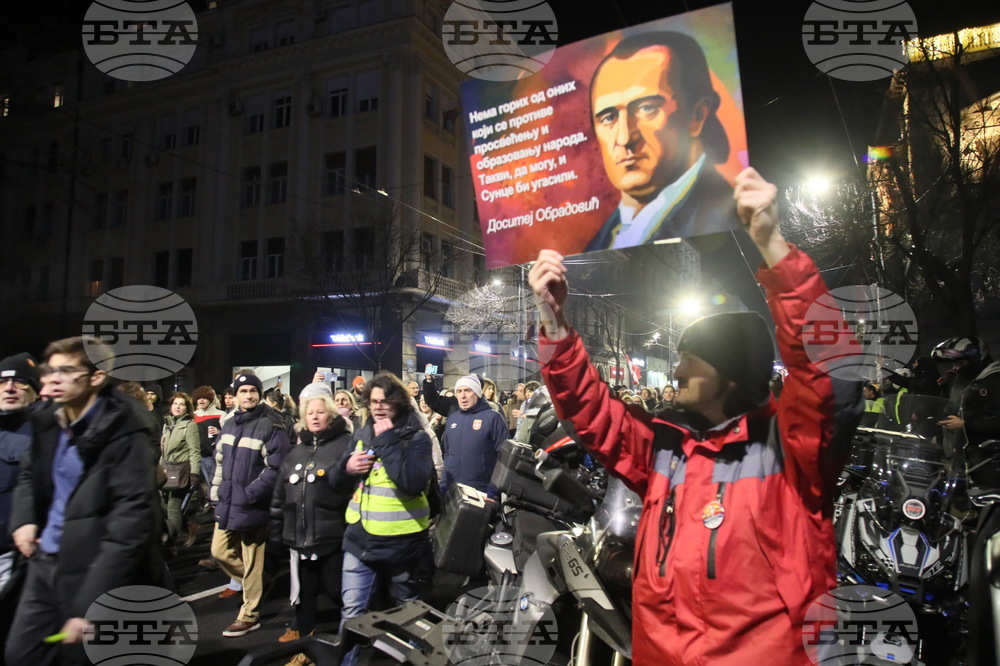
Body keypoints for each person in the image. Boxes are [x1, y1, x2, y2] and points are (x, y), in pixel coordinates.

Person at [528, 167, 862, 664]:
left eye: (692, 358)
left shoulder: (792, 451)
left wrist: (772, 243)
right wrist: (553, 320)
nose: (677, 369)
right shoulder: (665, 446)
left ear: (731, 376)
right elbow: (590, 409)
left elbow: (827, 372)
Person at [6, 336, 168, 666]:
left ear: (96, 377)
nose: (53, 379)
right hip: (44, 562)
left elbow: (130, 524)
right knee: (21, 654)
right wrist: (24, 519)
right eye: (51, 371)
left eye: (66, 371)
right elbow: (29, 473)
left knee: (78, 656)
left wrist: (92, 605)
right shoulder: (48, 419)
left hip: (93, 566)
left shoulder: (127, 431)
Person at [585, 31, 738, 251]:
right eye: (608, 118)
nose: (624, 138)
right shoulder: (598, 243)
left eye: (647, 108)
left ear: (698, 115)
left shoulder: (733, 217)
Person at [332, 372, 433, 666]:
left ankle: (418, 660)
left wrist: (386, 440)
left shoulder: (417, 438)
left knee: (409, 611)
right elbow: (336, 483)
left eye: (385, 401)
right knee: (352, 614)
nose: (377, 407)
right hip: (360, 541)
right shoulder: (361, 434)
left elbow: (412, 481)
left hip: (402, 542)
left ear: (399, 403)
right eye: (373, 401)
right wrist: (346, 468)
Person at [270, 393, 353, 665]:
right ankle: (305, 650)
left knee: (337, 592)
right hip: (300, 541)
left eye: (320, 412)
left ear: (331, 415)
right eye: (310, 413)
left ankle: (351, 644)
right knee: (304, 598)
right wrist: (276, 533)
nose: (315, 417)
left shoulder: (345, 445)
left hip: (333, 537)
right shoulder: (297, 451)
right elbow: (279, 496)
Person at [210, 372, 291, 637]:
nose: (248, 396)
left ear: (259, 394)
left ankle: (249, 614)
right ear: (235, 396)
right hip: (228, 501)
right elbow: (220, 462)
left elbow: (277, 467)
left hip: (253, 503)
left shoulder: (272, 423)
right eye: (243, 391)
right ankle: (258, 582)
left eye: (252, 391)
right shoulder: (230, 423)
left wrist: (250, 494)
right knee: (219, 552)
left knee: (252, 558)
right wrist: (216, 494)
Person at [0, 353, 43, 663]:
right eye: (2, 381)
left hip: (17, 558)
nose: (9, 387)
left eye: (20, 382)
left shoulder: (50, 433)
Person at [437, 375, 509, 499]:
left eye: (467, 390)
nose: (463, 396)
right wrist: (444, 484)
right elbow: (448, 455)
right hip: (453, 490)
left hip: (481, 491)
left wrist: (493, 490)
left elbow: (504, 459)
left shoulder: (493, 417)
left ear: (477, 393)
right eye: (459, 391)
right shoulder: (453, 418)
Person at [160, 392, 202, 556]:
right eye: (175, 404)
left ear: (187, 408)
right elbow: (163, 451)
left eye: (182, 404)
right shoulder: (167, 423)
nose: (177, 407)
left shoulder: (189, 425)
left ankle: (170, 544)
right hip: (166, 469)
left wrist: (195, 473)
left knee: (173, 507)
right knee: (162, 505)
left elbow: (195, 451)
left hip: (180, 470)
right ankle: (188, 526)